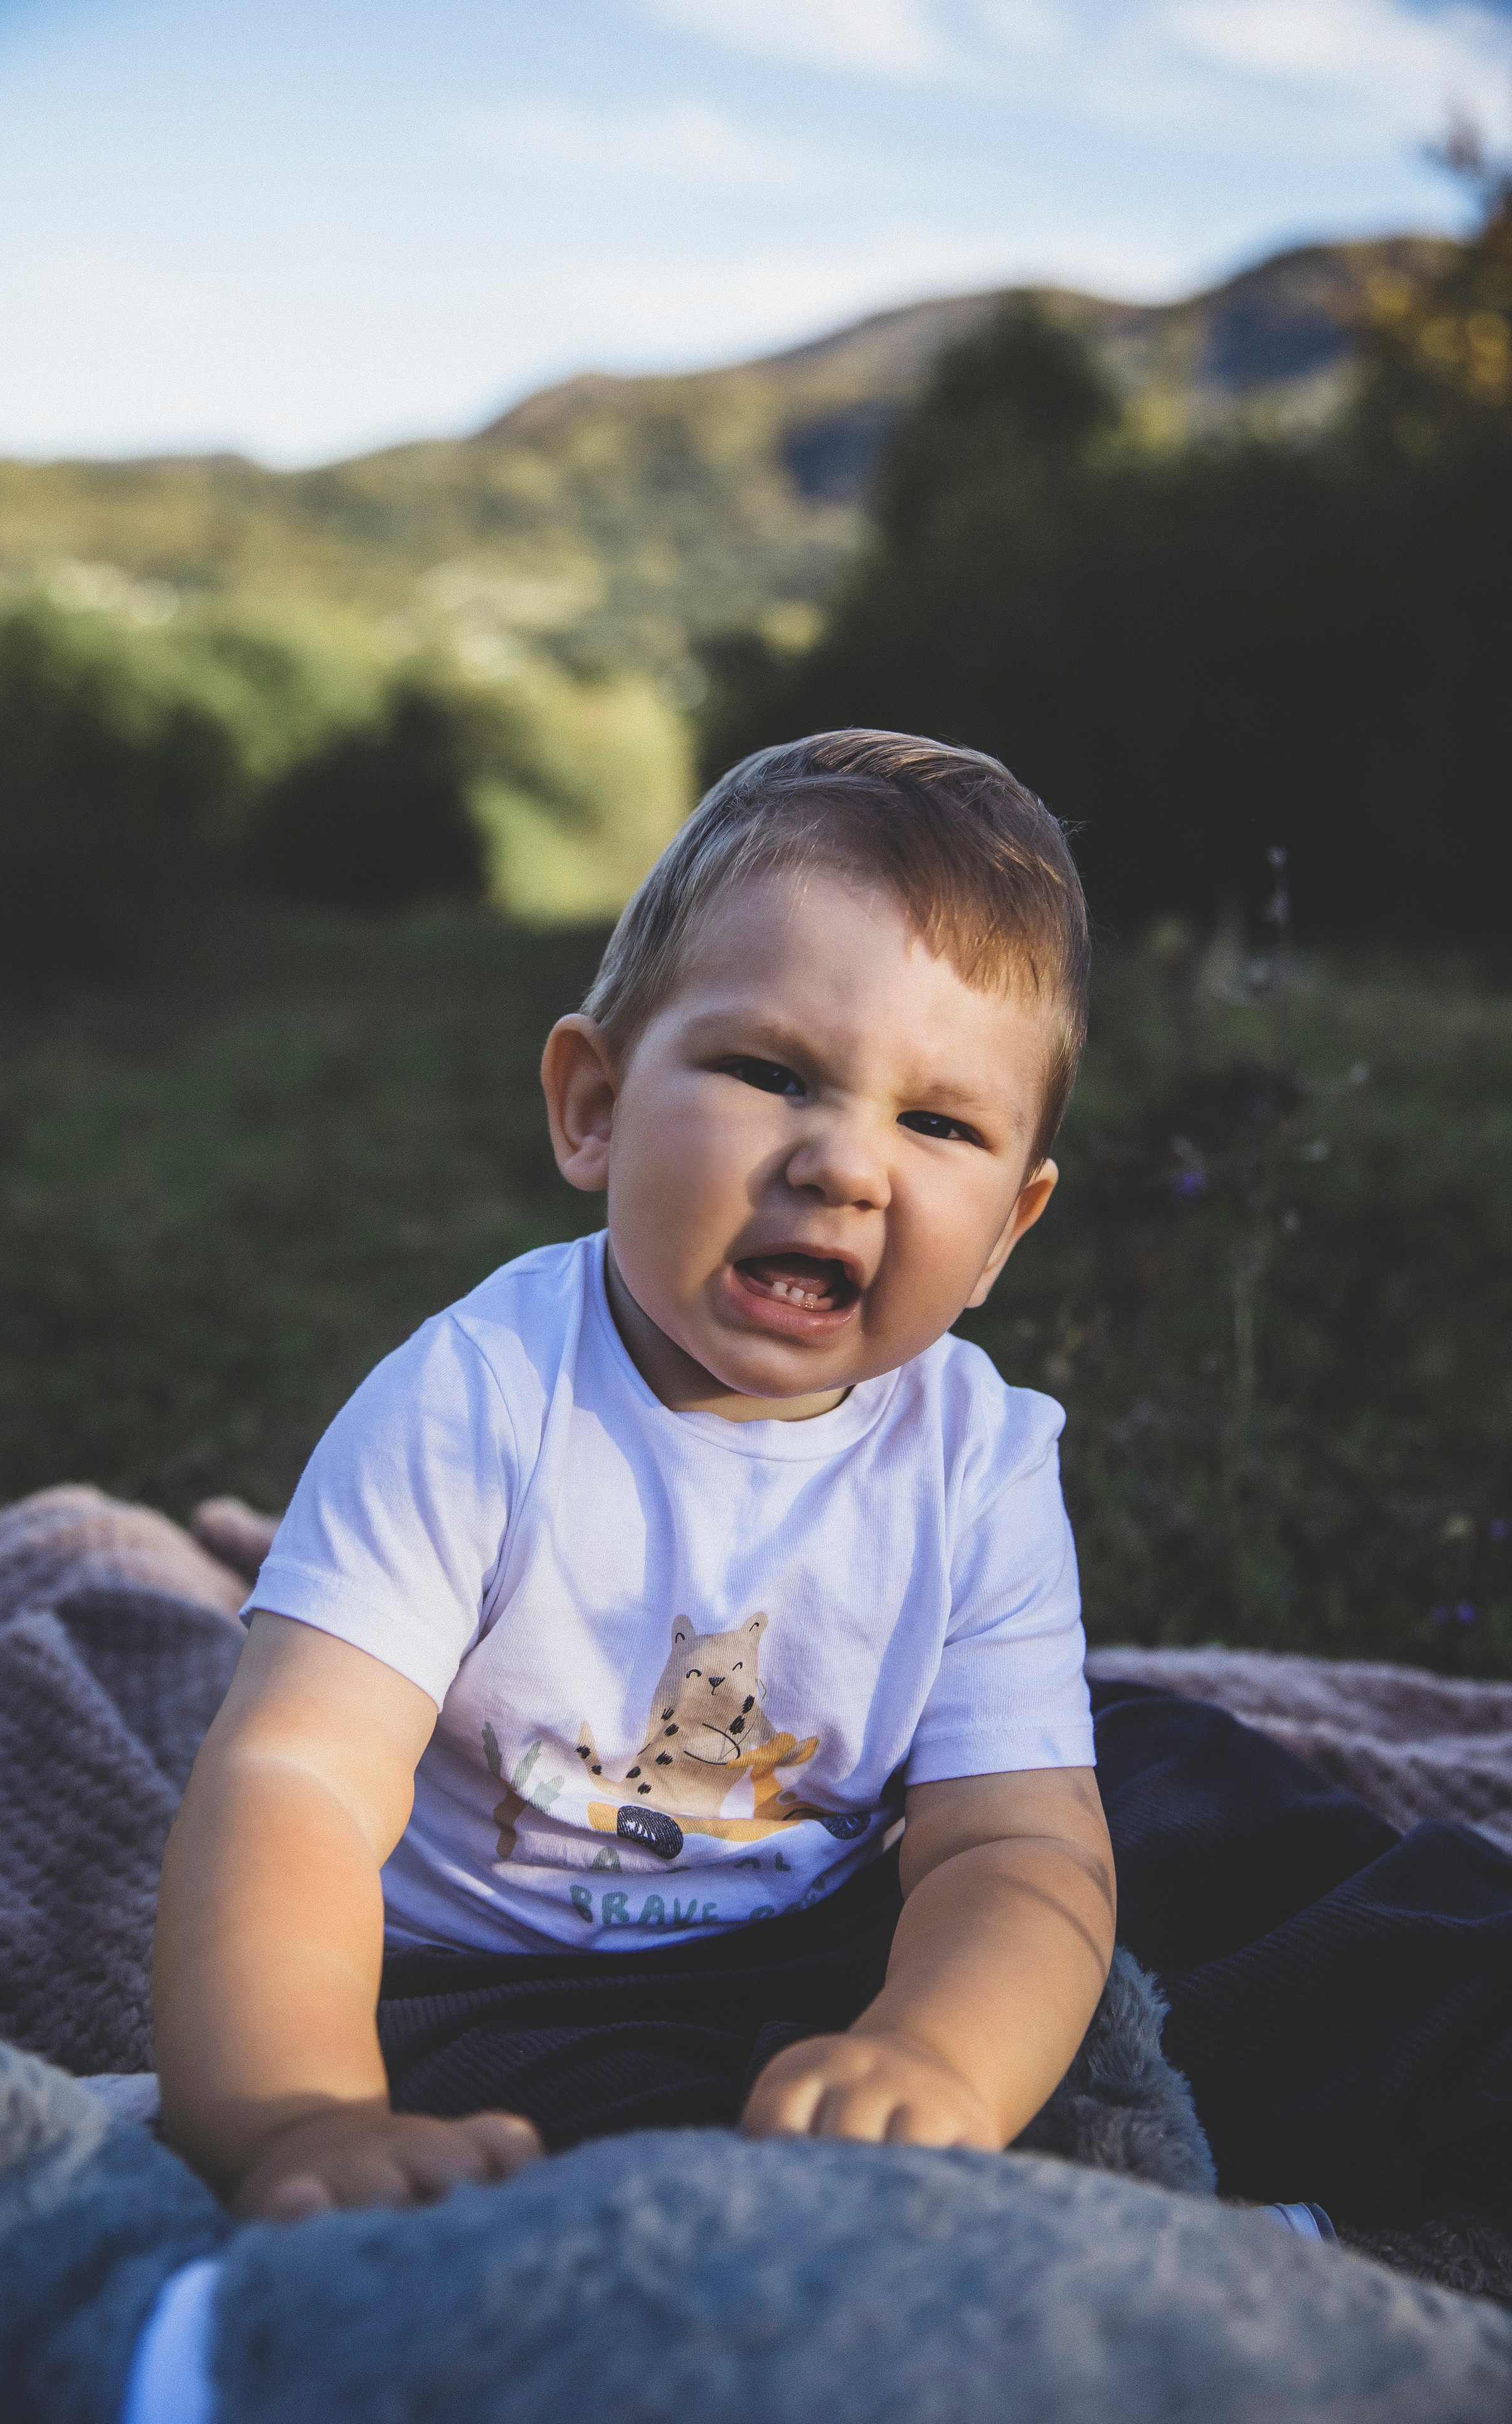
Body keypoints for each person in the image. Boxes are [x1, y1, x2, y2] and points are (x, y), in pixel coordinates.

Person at [153, 728, 1115, 2221]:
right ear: (592, 1104)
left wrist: (932, 2060)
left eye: (936, 1124)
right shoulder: (482, 1396)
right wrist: (301, 2120)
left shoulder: (975, 1461)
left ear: (1005, 1229)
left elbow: (1011, 1840)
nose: (845, 1167)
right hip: (490, 1977)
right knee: (617, 2167)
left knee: (1168, 1865)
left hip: (819, 1945)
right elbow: (299, 1781)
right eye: (771, 1073)